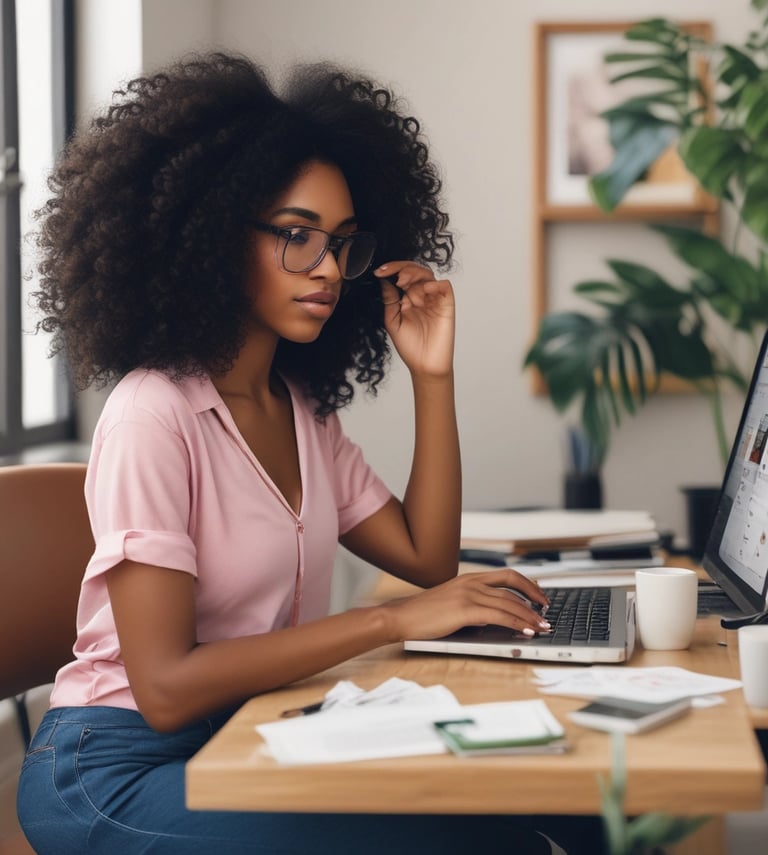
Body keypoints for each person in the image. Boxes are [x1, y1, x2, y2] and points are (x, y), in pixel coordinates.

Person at [16, 52, 591, 854]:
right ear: (212, 236)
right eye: (295, 236)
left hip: (251, 731)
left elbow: (427, 558)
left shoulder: (303, 411)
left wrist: (432, 373)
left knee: (551, 806)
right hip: (115, 770)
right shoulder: (153, 414)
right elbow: (167, 688)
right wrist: (388, 619)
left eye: (342, 244)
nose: (327, 269)